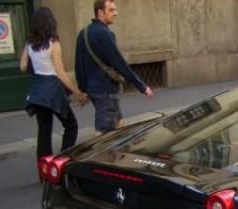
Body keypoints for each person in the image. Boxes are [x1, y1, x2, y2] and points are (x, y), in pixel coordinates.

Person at [20, 7, 86, 176]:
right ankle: (62, 161)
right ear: (50, 22)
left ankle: (44, 172)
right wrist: (78, 92)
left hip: (38, 90)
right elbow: (61, 74)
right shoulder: (53, 43)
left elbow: (22, 67)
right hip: (53, 90)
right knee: (71, 125)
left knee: (44, 132)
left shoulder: (29, 43)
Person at [75, 0, 153, 135]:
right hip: (106, 90)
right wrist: (142, 86)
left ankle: (121, 153)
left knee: (118, 124)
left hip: (94, 89)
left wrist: (83, 89)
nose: (115, 13)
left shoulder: (83, 33)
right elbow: (120, 64)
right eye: (111, 10)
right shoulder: (106, 34)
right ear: (100, 12)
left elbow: (79, 64)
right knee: (104, 133)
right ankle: (98, 156)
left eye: (115, 10)